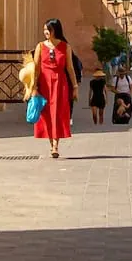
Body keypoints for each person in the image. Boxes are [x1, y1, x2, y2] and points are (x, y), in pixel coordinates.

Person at [31, 19, 77, 158]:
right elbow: (37, 68)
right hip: (44, 83)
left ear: (55, 30)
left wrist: (75, 86)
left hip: (60, 83)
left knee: (58, 112)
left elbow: (70, 68)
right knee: (46, 114)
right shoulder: (40, 46)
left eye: (48, 29)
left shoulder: (65, 47)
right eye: (44, 29)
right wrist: (34, 86)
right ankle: (51, 143)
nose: (46, 32)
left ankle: (55, 145)